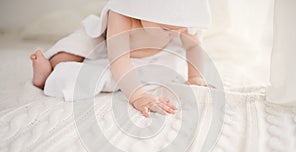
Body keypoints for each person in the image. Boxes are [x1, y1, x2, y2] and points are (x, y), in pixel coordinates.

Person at [30, 0, 212, 117]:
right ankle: (48, 70)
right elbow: (119, 58)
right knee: (68, 53)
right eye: (166, 29)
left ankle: (54, 77)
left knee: (159, 70)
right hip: (103, 42)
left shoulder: (179, 18)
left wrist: (195, 76)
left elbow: (193, 45)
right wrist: (138, 95)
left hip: (148, 55)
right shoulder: (122, 14)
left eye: (181, 28)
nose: (177, 34)